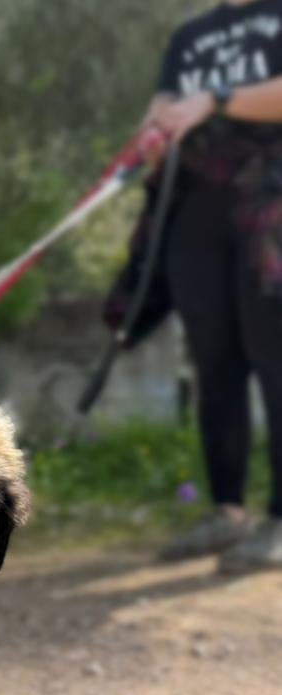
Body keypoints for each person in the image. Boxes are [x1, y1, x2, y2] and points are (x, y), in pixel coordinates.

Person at [142, 0, 282, 571]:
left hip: (270, 209)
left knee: (276, 359)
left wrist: (216, 99)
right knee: (214, 364)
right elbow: (158, 115)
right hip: (196, 218)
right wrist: (154, 138)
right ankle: (227, 511)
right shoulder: (190, 36)